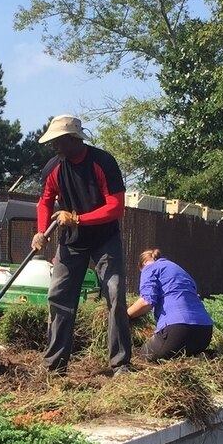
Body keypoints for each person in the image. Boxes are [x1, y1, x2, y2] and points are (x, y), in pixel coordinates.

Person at [31, 115, 131, 375]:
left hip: (104, 240)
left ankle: (120, 364)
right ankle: (54, 365)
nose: (54, 147)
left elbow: (116, 207)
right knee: (59, 297)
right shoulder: (53, 167)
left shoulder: (103, 162)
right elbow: (45, 202)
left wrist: (77, 218)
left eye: (58, 141)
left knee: (115, 295)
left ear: (73, 139)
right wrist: (41, 231)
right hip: (71, 243)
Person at [127, 249, 213, 361]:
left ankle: (191, 356)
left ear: (143, 264)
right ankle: (200, 356)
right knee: (181, 352)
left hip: (178, 329)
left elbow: (146, 301)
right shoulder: (180, 271)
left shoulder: (149, 268)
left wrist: (126, 315)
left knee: (144, 355)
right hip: (204, 332)